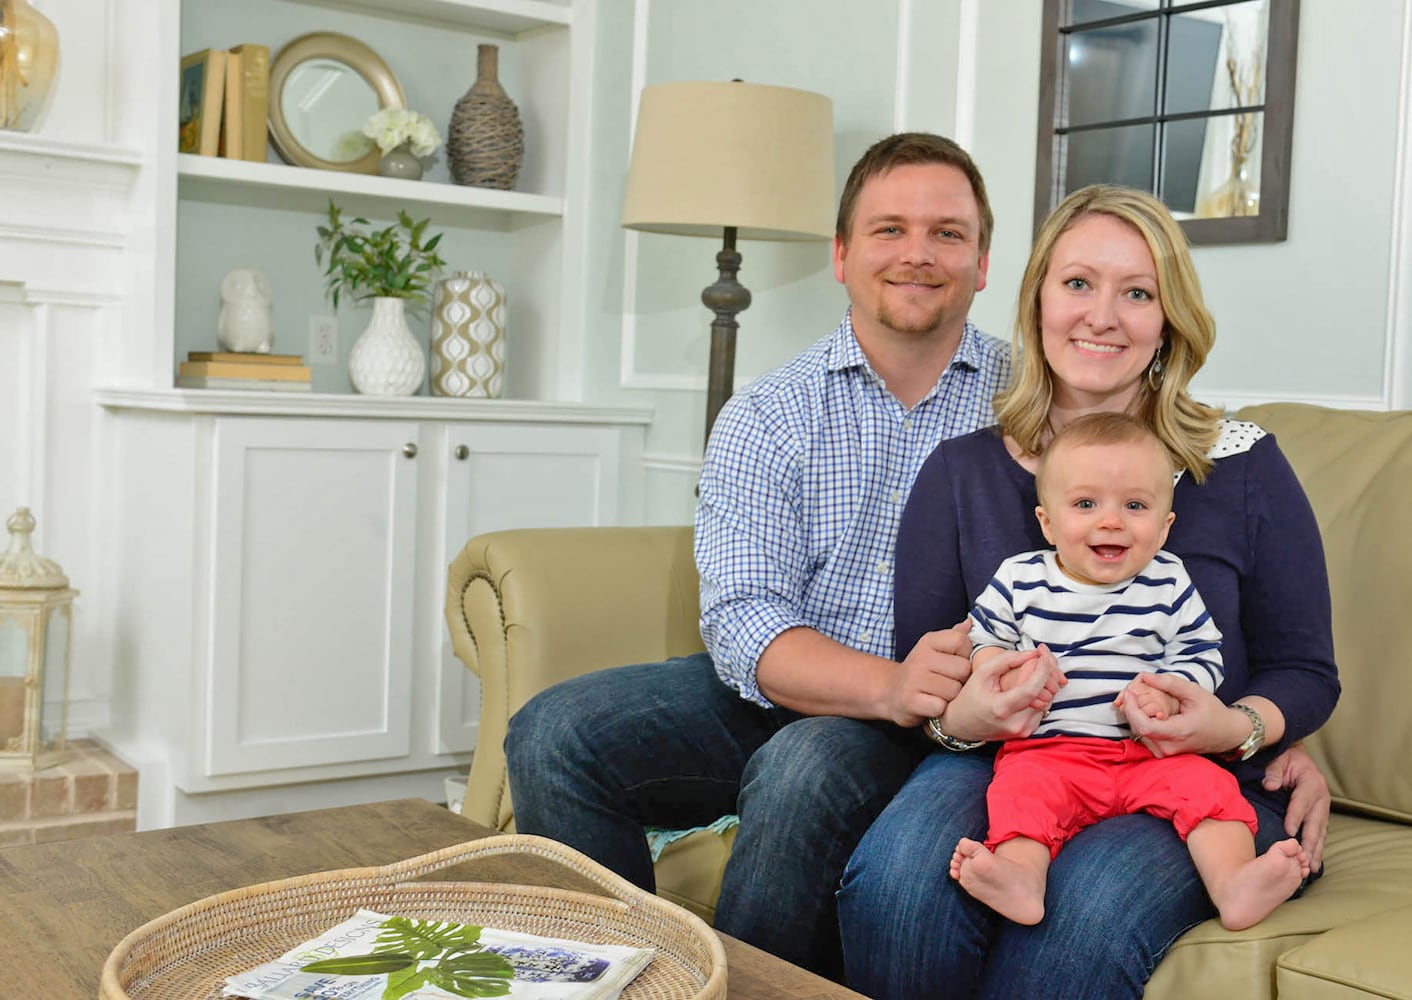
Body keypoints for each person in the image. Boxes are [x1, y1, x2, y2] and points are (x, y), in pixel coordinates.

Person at [504, 132, 1013, 978]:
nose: (917, 255)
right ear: (843, 255)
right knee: (555, 733)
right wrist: (884, 685)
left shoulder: (1031, 402)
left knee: (804, 768)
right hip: (808, 685)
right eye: (889, 230)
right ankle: (627, 982)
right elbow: (743, 619)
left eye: (947, 233)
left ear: (983, 262)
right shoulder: (768, 413)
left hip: (944, 719)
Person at [837, 184, 1341, 999]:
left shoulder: (1243, 465)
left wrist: (1239, 726)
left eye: (1137, 292)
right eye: (1077, 283)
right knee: (899, 883)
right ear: (1037, 297)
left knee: (1083, 912)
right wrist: (960, 718)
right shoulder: (961, 472)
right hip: (1020, 759)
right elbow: (926, 671)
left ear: (1168, 318)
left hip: (1188, 772)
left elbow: (1306, 670)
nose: (1102, 316)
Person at [952, 411, 1312, 932]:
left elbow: (1203, 650)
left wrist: (1174, 694)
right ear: (1047, 522)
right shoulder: (1021, 577)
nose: (1112, 521)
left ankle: (1235, 882)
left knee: (1210, 791)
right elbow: (981, 638)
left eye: (1135, 506)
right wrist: (1000, 672)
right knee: (1018, 794)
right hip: (1051, 752)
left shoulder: (1168, 581)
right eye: (1085, 504)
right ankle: (1020, 877)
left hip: (1150, 752)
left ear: (1165, 526)